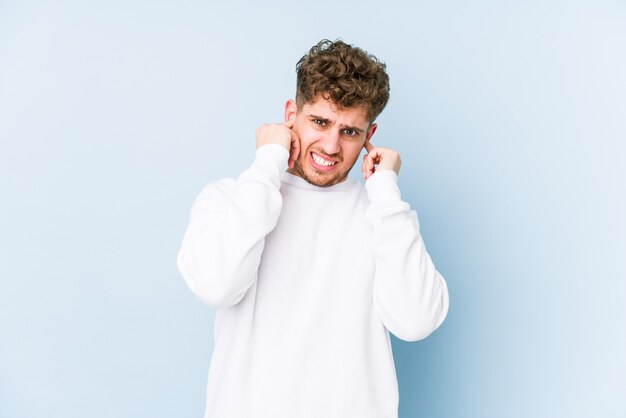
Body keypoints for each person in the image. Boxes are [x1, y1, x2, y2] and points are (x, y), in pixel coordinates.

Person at [177, 39, 449, 418]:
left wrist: (385, 191)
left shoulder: (384, 216)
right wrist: (267, 163)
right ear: (291, 114)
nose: (332, 145)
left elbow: (416, 320)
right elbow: (215, 285)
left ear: (369, 136)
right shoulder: (229, 198)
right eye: (319, 122)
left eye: (350, 132)